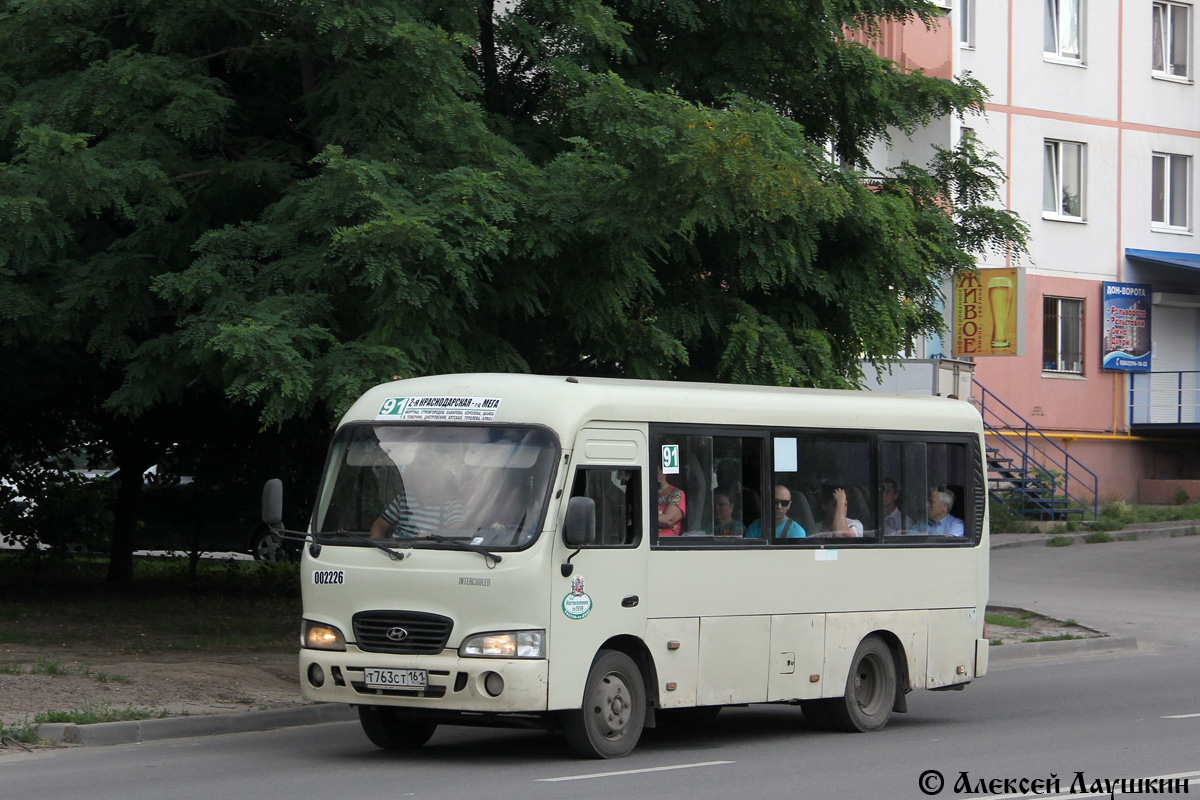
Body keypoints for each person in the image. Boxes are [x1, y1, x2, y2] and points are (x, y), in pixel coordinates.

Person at [370, 458, 464, 538]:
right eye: (418, 475)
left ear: (440, 479)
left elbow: (456, 530)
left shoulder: (452, 503)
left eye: (427, 476)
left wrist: (430, 537)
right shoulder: (405, 498)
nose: (421, 479)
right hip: (394, 554)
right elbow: (380, 524)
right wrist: (374, 548)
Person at [656, 464, 687, 536]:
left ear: (663, 472)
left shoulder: (676, 493)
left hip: (665, 542)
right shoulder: (647, 493)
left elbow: (669, 520)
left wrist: (640, 519)